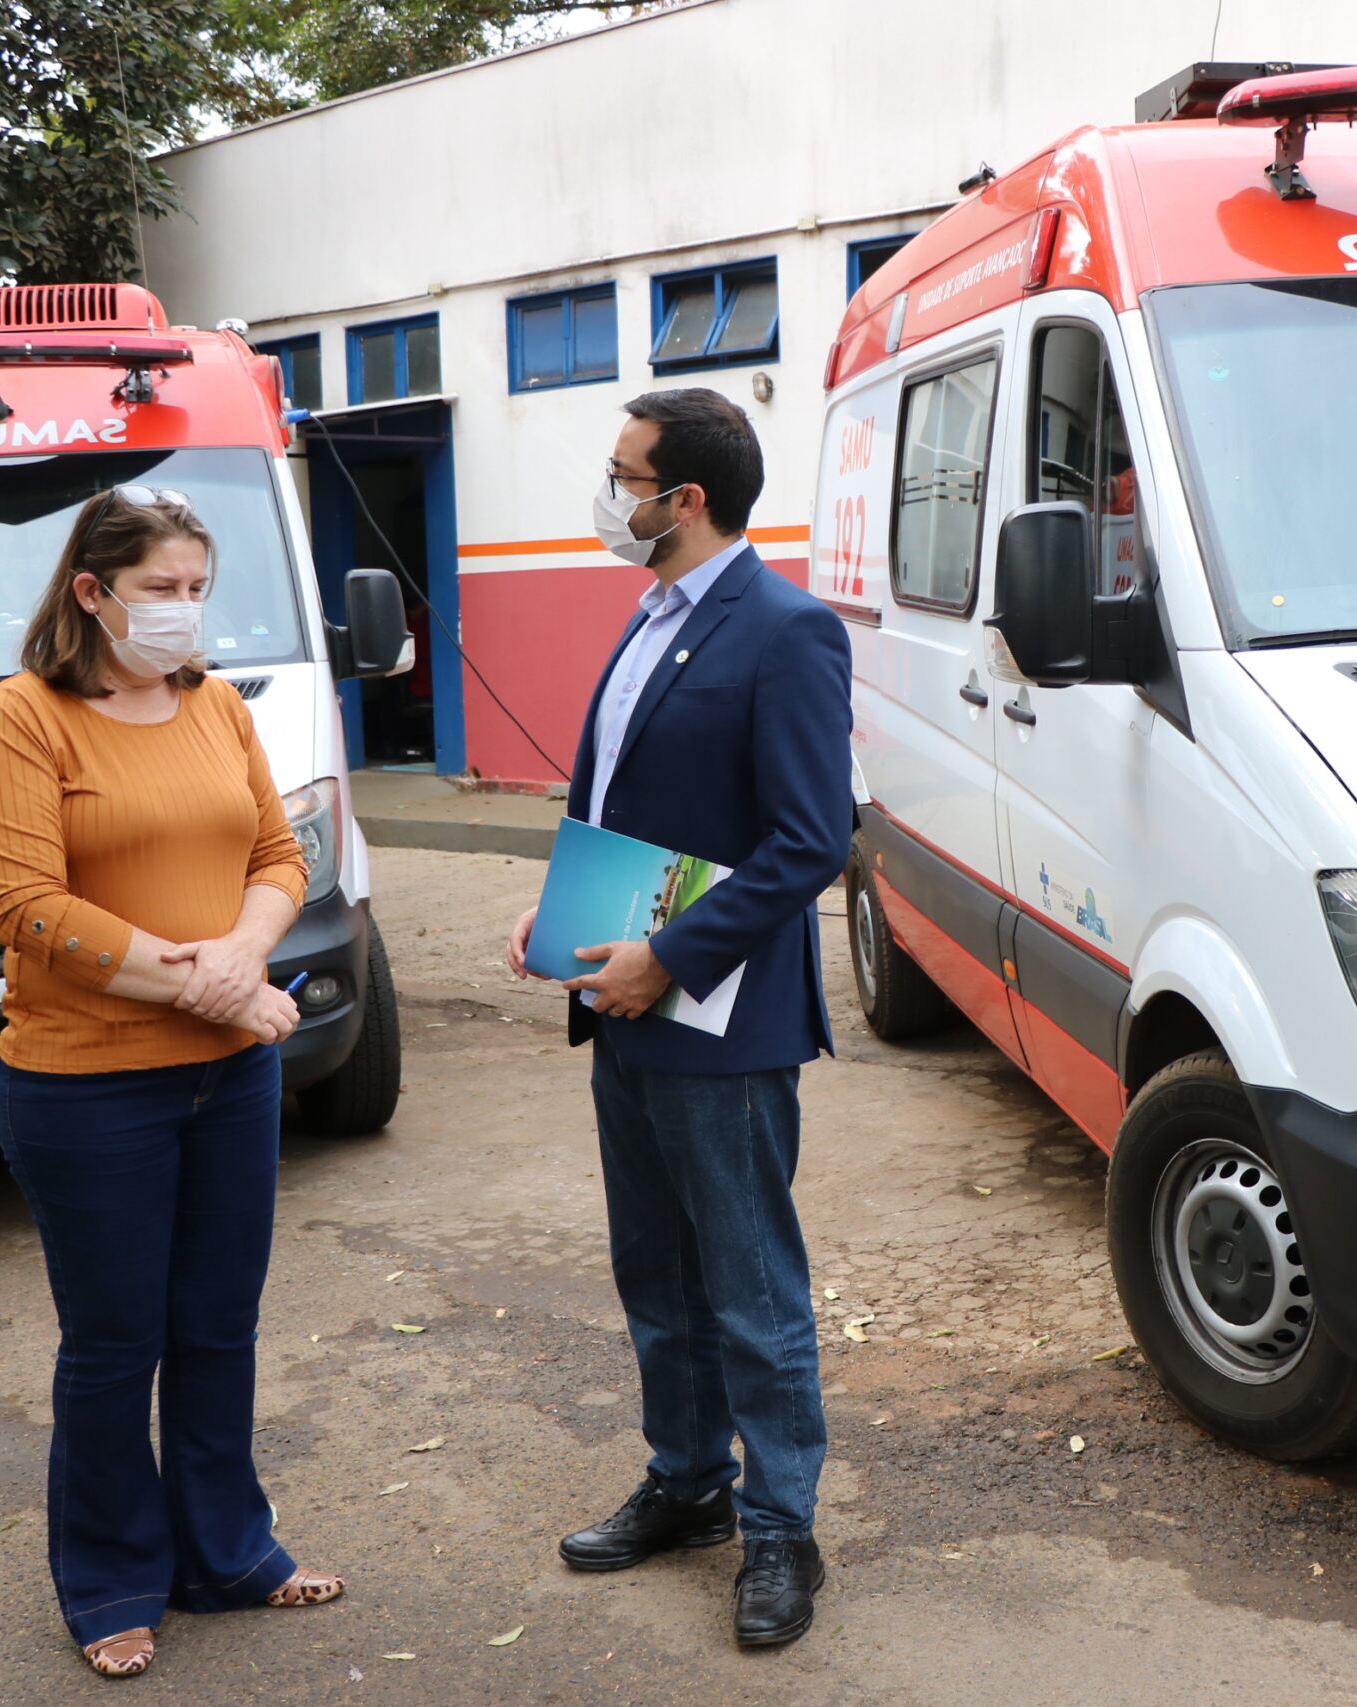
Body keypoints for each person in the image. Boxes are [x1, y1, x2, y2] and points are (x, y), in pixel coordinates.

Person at [0, 486, 345, 1680]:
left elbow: (279, 855)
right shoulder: (21, 720)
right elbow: (23, 906)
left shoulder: (217, 704)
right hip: (88, 1087)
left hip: (227, 1083)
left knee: (219, 1329)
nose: (183, 613)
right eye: (159, 591)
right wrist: (210, 986)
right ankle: (111, 1579)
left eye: (195, 590)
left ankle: (229, 1553)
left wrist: (240, 957)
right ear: (91, 592)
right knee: (117, 1344)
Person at [505, 389, 852, 1647]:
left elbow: (813, 841)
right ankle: (690, 1482)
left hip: (724, 1017)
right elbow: (617, 798)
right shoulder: (647, 617)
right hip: (627, 1001)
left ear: (682, 497)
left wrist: (667, 951)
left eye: (621, 473)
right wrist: (562, 920)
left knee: (749, 1286)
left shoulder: (788, 630)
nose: (610, 493)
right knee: (655, 1271)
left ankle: (782, 1533)